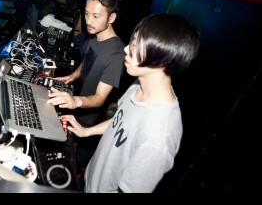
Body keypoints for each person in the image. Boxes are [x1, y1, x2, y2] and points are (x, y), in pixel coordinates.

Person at [61, 13, 200, 193]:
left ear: (162, 59)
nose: (126, 49)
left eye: (135, 45)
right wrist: (87, 131)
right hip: (88, 182)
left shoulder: (159, 135)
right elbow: (120, 121)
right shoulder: (137, 86)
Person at [47, 0, 126, 174]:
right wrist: (73, 76)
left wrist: (75, 101)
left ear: (112, 18)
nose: (89, 21)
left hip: (87, 118)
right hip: (75, 102)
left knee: (69, 160)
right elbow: (87, 60)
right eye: (87, 14)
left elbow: (100, 98)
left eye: (96, 16)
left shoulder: (116, 55)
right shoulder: (94, 36)